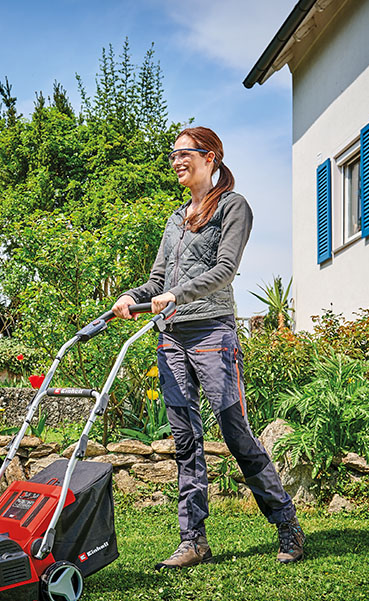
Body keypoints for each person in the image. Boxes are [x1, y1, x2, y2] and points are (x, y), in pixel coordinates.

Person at [112, 126, 304, 569]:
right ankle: (193, 540)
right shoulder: (176, 218)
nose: (177, 161)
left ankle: (286, 522)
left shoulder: (233, 207)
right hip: (171, 337)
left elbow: (224, 270)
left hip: (212, 333)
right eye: (173, 155)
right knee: (184, 440)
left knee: (235, 433)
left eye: (185, 154)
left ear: (211, 157)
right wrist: (131, 297)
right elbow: (158, 280)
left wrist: (179, 295)